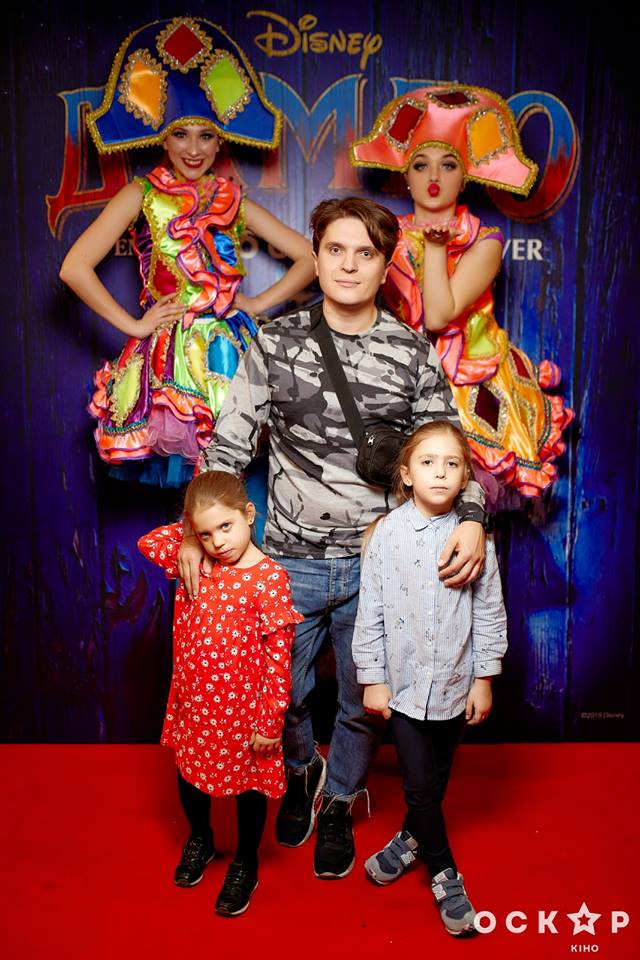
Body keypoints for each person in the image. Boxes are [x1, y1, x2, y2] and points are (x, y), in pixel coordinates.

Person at [178, 195, 489, 880]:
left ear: (385, 265)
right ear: (316, 259)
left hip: (381, 564)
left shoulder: (410, 351)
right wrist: (193, 533)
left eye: (365, 253)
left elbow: (450, 448)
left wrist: (471, 517)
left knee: (360, 699)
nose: (349, 265)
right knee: (282, 696)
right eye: (335, 250)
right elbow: (229, 444)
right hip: (290, 560)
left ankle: (341, 799)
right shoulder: (275, 342)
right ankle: (300, 773)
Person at [60, 16, 315, 487]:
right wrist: (135, 325)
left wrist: (256, 303)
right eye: (181, 134)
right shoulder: (141, 194)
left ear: (221, 141)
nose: (193, 149)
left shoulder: (233, 200)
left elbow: (310, 257)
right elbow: (74, 267)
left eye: (206, 135)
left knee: (231, 478)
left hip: (230, 350)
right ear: (162, 136)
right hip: (172, 356)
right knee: (196, 488)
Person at [350, 84, 573, 503]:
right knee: (398, 503)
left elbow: (439, 315)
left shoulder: (485, 241)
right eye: (421, 165)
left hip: (469, 382)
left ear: (464, 175)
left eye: (448, 165)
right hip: (401, 377)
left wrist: (435, 246)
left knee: (467, 509)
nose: (433, 177)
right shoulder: (383, 235)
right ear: (405, 175)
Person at [352, 421, 507, 935]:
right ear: (406, 474)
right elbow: (371, 610)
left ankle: (408, 840)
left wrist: (484, 677)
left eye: (451, 464)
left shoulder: (475, 538)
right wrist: (372, 677)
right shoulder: (387, 535)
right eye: (427, 462)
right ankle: (445, 874)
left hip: (455, 684)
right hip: (403, 688)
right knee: (419, 786)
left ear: (465, 478)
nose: (439, 473)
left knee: (435, 781)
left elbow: (489, 610)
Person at [138, 470, 303, 916]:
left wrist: (270, 720)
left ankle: (246, 860)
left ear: (248, 514)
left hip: (244, 713)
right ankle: (201, 838)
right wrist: (189, 539)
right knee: (190, 775)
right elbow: (147, 544)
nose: (218, 542)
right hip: (193, 704)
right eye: (207, 533)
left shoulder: (270, 578)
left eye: (225, 526)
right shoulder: (194, 560)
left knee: (247, 787)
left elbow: (278, 659)